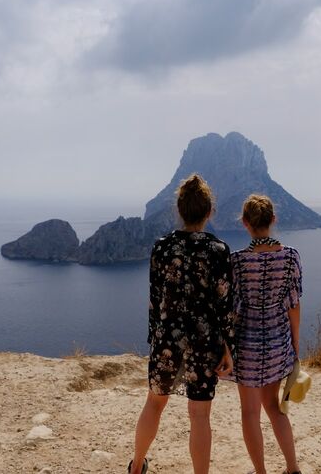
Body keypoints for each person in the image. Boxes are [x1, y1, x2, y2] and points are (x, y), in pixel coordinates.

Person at [128, 174, 235, 474]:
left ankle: (136, 467)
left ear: (179, 209)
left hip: (166, 340)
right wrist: (230, 348)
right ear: (210, 211)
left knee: (154, 404)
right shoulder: (218, 251)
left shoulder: (161, 248)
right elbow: (224, 305)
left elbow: (154, 299)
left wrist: (155, 339)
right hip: (204, 342)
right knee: (199, 416)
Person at [232, 194, 303, 474]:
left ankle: (260, 472)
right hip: (277, 345)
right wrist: (295, 346)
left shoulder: (236, 262)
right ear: (273, 220)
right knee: (274, 408)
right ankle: (292, 468)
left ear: (245, 223)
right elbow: (294, 306)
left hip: (247, 347)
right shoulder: (290, 258)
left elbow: (232, 310)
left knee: (249, 413)